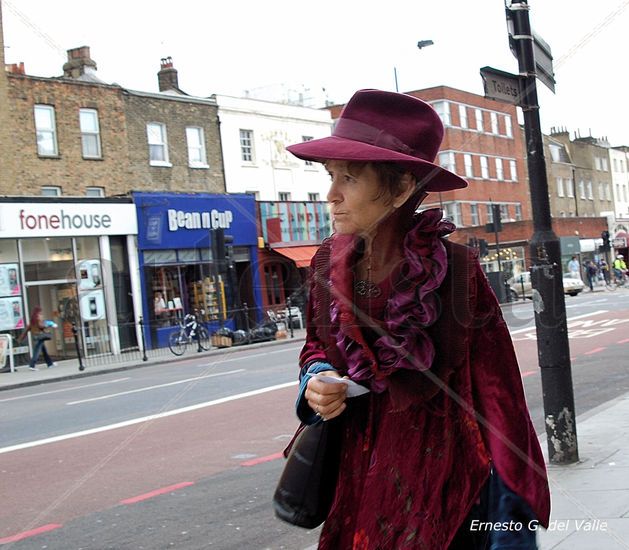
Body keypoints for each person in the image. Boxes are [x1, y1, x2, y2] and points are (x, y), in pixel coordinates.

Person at [286, 90, 550, 549]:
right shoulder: (326, 263)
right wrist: (317, 377)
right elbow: (315, 345)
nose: (331, 195)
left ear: (403, 186)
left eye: (348, 177)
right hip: (357, 481)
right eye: (331, 176)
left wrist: (512, 518)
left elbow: (499, 395)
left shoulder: (457, 271)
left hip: (443, 487)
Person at [19, 306, 57, 370]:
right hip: (40, 337)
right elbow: (41, 326)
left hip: (36, 337)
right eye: (40, 313)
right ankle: (32, 365)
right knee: (36, 352)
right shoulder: (38, 319)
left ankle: (50, 364)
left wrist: (21, 338)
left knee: (44, 351)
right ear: (38, 312)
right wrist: (49, 325)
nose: (41, 314)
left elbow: (26, 330)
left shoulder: (32, 321)